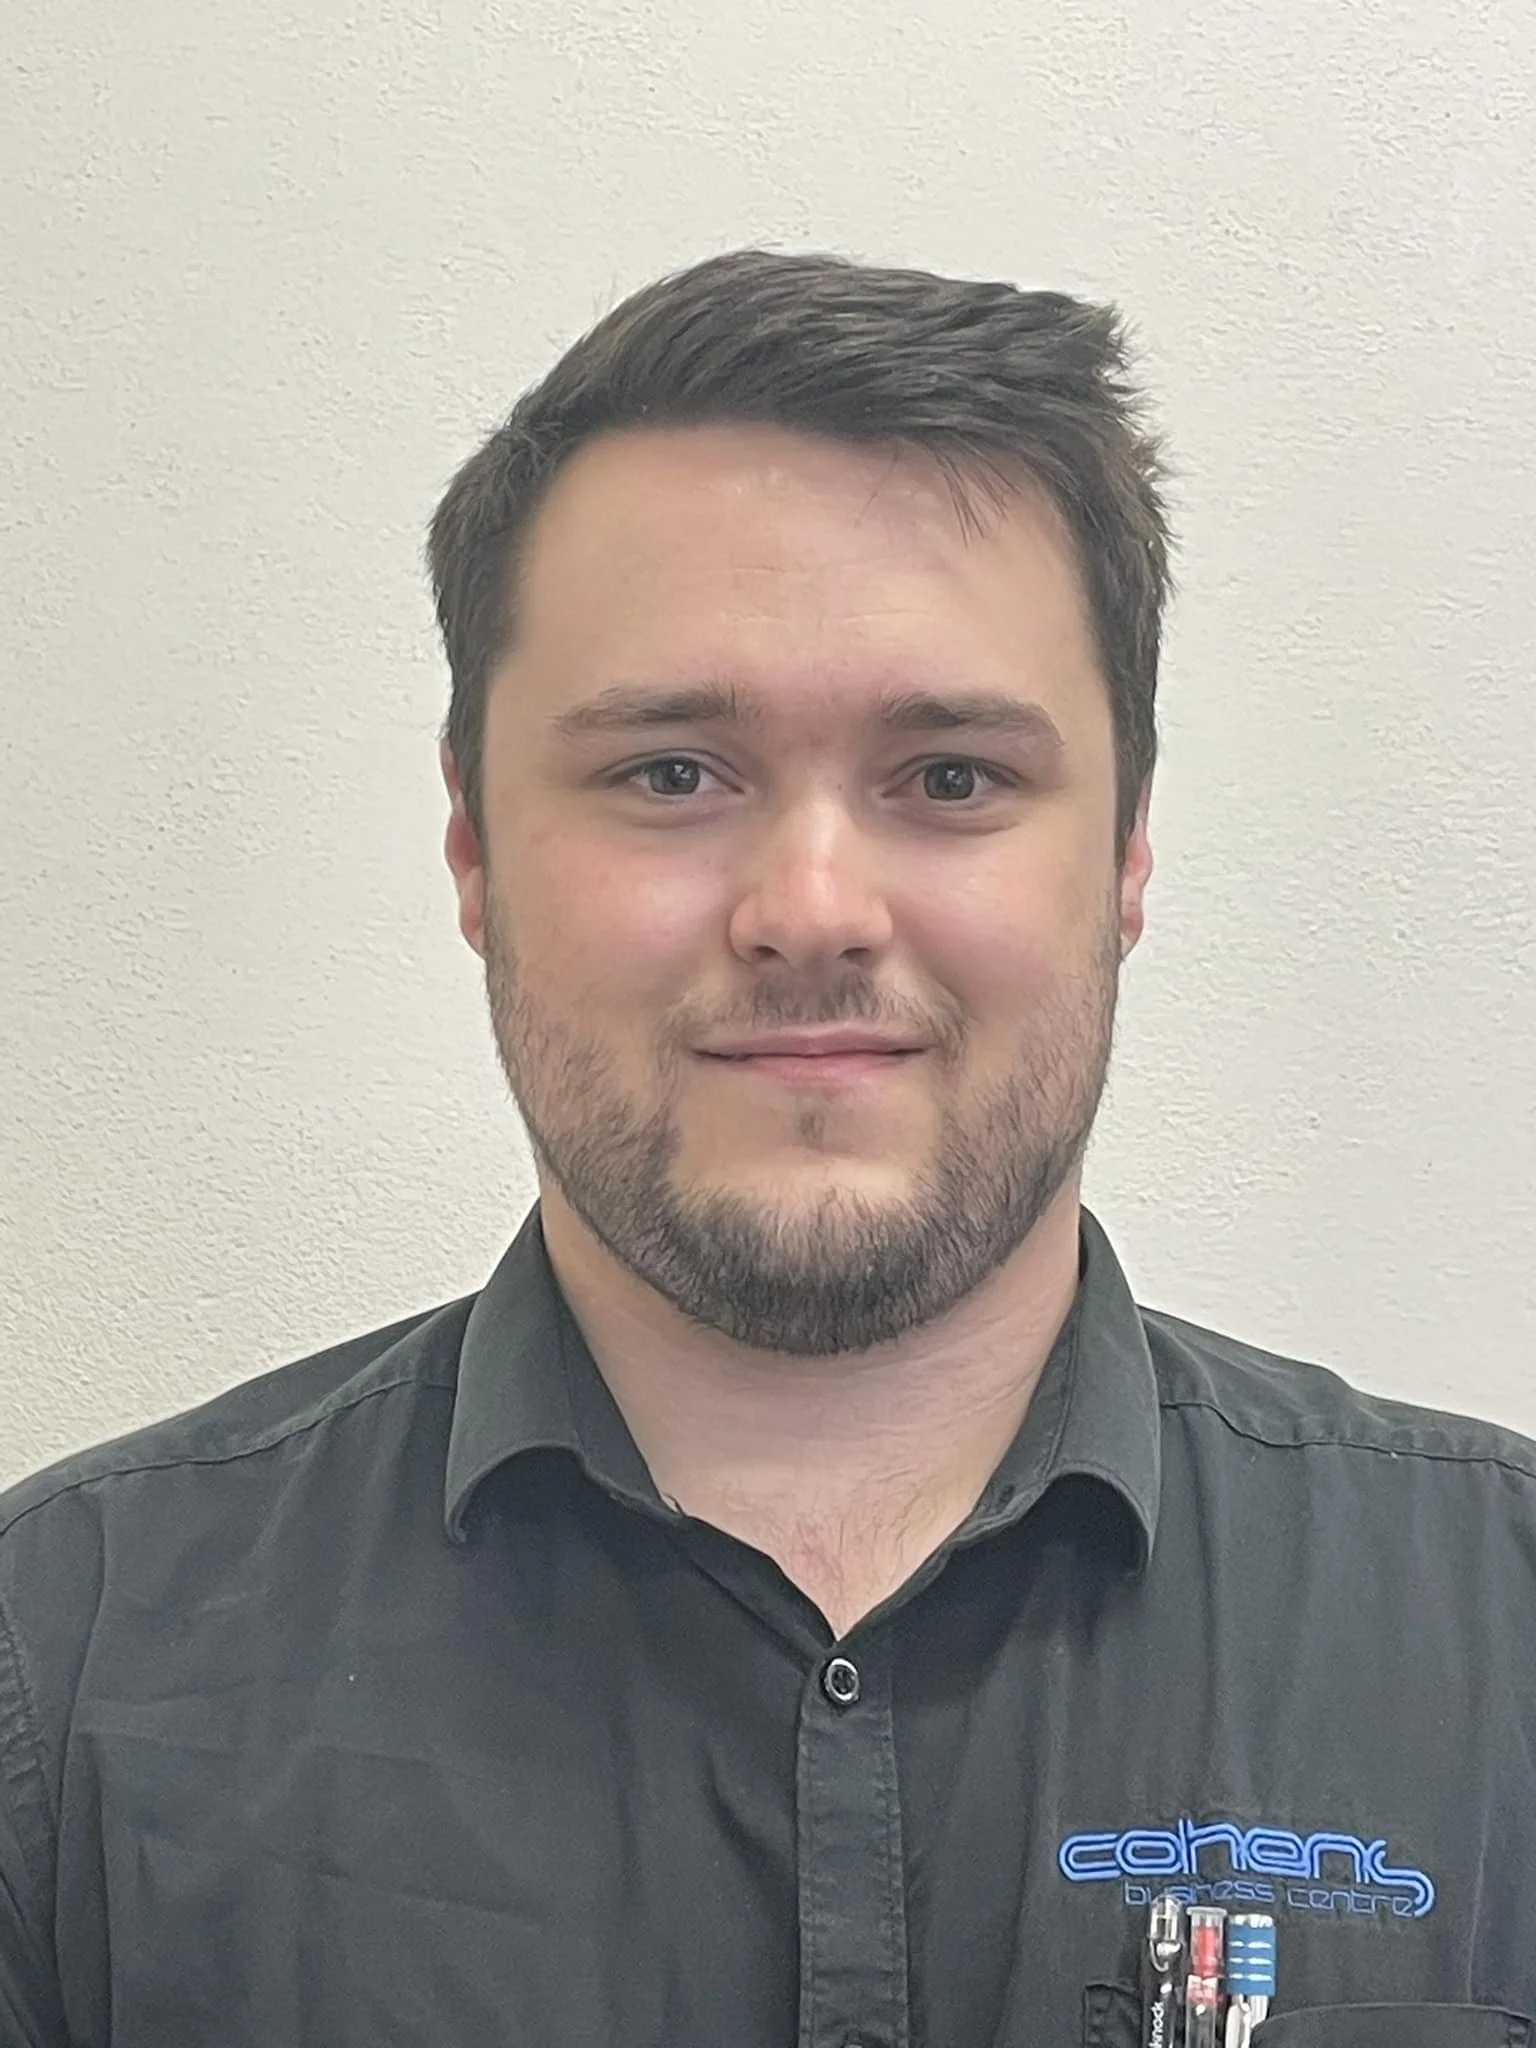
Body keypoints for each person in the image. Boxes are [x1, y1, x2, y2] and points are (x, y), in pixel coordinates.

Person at [2, 248, 1532, 2048]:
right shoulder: (62, 1680)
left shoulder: (1504, 1641)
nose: (810, 910)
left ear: (1125, 855)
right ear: (476, 853)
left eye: (951, 774)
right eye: (672, 772)